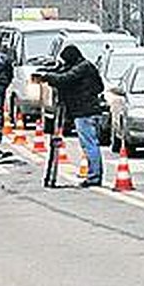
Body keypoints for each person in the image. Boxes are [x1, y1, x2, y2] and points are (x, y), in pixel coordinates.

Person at [33, 44, 105, 188]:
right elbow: (99, 86)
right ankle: (94, 175)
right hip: (89, 111)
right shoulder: (85, 67)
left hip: (85, 112)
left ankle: (94, 177)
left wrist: (47, 77)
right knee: (90, 144)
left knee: (89, 145)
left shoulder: (83, 68)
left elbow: (65, 78)